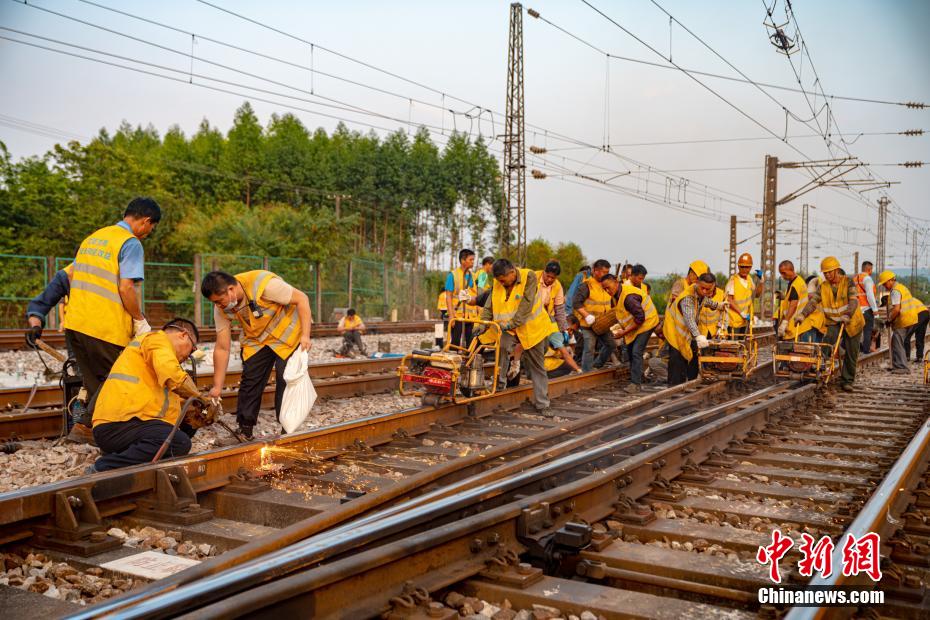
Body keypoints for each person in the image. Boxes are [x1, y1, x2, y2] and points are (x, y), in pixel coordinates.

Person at [62, 197, 161, 444]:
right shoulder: (130, 243)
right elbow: (127, 288)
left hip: (74, 323)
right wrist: (139, 319)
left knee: (96, 381)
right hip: (104, 326)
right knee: (117, 379)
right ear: (146, 221)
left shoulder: (93, 238)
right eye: (151, 227)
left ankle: (95, 429)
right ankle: (85, 428)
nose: (149, 233)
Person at [201, 269, 313, 442]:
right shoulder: (221, 309)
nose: (218, 305)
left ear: (230, 290)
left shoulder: (264, 284)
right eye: (214, 302)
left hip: (287, 335)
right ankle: (244, 431)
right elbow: (222, 347)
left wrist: (305, 335)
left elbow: (302, 299)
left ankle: (288, 431)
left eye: (219, 300)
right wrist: (217, 386)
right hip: (257, 339)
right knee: (250, 381)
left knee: (286, 379)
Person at [88, 319, 203, 472]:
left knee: (187, 428)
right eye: (192, 349)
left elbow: (170, 406)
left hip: (129, 422)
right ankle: (104, 467)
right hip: (117, 424)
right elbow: (172, 374)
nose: (189, 356)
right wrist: (200, 398)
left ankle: (130, 456)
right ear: (183, 335)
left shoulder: (158, 358)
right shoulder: (156, 340)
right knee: (179, 442)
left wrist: (197, 411)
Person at [476, 259, 554, 414]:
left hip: (532, 328)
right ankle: (499, 386)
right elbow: (489, 306)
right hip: (510, 328)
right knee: (502, 349)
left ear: (512, 272)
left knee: (537, 366)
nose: (501, 283)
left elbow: (526, 306)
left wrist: (510, 324)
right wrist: (482, 324)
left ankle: (543, 404)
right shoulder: (498, 282)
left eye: (503, 280)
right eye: (499, 280)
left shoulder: (529, 277)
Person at [796, 257, 864, 391]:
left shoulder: (848, 282)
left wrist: (847, 314)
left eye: (829, 272)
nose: (827, 275)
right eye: (825, 273)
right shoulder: (824, 286)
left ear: (836, 270)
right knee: (827, 341)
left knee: (851, 352)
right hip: (834, 321)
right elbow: (813, 302)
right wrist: (802, 315)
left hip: (852, 321)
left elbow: (853, 301)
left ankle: (847, 381)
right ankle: (819, 367)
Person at [509, 262, 582, 378]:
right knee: (524, 343)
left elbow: (559, 310)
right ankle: (521, 367)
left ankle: (529, 370)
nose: (549, 279)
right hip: (527, 317)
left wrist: (563, 329)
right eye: (547, 276)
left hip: (544, 320)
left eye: (553, 278)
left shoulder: (557, 286)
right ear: (544, 272)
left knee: (536, 347)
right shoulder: (534, 277)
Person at [663, 273, 724, 386]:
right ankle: (673, 389)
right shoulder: (688, 298)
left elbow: (707, 302)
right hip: (675, 330)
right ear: (697, 283)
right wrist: (698, 336)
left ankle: (688, 384)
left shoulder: (701, 294)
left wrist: (719, 305)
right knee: (677, 360)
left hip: (685, 332)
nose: (705, 291)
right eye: (703, 288)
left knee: (690, 355)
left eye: (708, 289)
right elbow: (689, 319)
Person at [614, 264, 659, 393]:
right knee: (630, 352)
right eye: (639, 278)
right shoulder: (624, 287)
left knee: (636, 352)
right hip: (633, 324)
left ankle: (636, 383)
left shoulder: (642, 287)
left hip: (645, 323)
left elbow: (643, 312)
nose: (641, 281)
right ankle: (637, 378)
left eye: (642, 278)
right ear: (631, 276)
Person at [572, 260, 617, 372]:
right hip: (588, 324)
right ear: (595, 271)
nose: (605, 274)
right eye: (603, 272)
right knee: (589, 348)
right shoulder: (586, 285)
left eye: (607, 272)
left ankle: (597, 365)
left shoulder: (606, 285)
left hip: (602, 324)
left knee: (611, 345)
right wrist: (587, 316)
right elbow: (576, 303)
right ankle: (586, 374)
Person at [876, 271, 922, 373]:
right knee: (895, 341)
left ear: (891, 280)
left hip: (904, 320)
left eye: (885, 283)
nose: (884, 286)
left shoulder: (895, 291)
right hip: (911, 319)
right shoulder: (901, 287)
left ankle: (902, 367)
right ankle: (897, 365)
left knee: (897, 342)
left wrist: (889, 320)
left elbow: (896, 309)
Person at [24, 263, 74, 353]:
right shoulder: (67, 274)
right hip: (103, 339)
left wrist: (35, 325)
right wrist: (36, 327)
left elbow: (40, 305)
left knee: (79, 365)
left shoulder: (69, 271)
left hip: (79, 337)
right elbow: (41, 304)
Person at [444, 249, 479, 349]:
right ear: (463, 260)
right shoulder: (453, 275)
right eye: (470, 260)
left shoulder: (474, 276)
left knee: (471, 343)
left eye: (473, 260)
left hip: (471, 316)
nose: (473, 262)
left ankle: (469, 363)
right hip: (457, 315)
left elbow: (477, 295)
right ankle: (453, 361)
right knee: (455, 343)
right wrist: (451, 315)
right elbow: (449, 297)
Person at [777, 260, 817, 342]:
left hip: (797, 327)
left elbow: (793, 305)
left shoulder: (796, 284)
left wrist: (785, 322)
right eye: (781, 273)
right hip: (799, 326)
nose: (782, 275)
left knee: (794, 353)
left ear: (791, 269)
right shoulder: (796, 282)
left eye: (784, 273)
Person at [725, 253, 765, 335]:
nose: (744, 269)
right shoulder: (733, 280)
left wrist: (761, 281)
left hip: (745, 320)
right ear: (738, 267)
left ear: (750, 267)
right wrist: (741, 313)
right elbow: (729, 299)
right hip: (733, 321)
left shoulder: (749, 279)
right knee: (734, 345)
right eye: (742, 266)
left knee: (743, 345)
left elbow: (757, 294)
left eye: (747, 267)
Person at [853, 261, 880, 353]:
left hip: (856, 308)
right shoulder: (867, 278)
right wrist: (875, 309)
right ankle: (866, 350)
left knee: (855, 331)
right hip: (866, 308)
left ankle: (851, 348)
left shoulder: (855, 279)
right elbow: (870, 295)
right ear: (869, 269)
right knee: (867, 330)